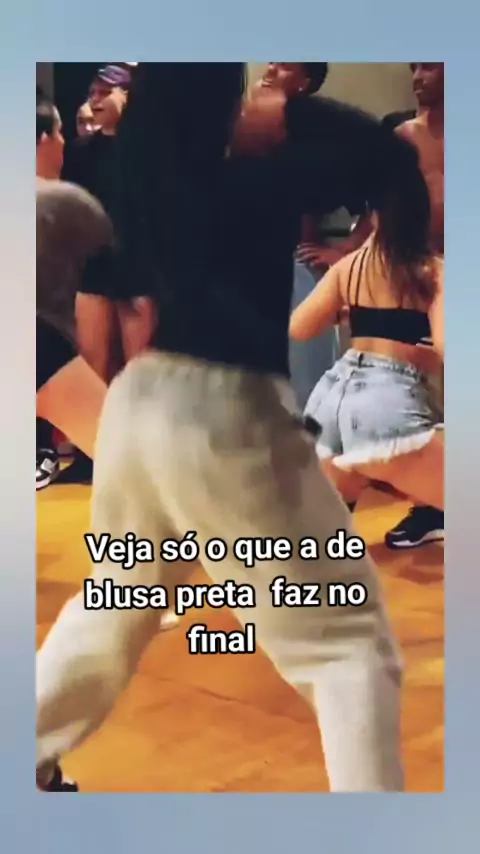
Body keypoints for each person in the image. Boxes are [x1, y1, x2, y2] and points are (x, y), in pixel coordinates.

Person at [36, 63, 431, 794]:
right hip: (227, 411)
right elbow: (389, 159)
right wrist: (292, 114)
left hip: (139, 408)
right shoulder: (253, 178)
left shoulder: (140, 177)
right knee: (346, 644)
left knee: (114, 607)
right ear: (223, 100)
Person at [290, 206, 444, 513]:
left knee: (328, 524)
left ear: (373, 217)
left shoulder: (350, 266)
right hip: (384, 404)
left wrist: (353, 315)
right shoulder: (433, 271)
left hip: (328, 403)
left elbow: (300, 327)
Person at [383, 62, 444, 549]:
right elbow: (385, 211)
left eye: (430, 65)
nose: (419, 75)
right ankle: (432, 505)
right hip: (419, 275)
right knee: (416, 393)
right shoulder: (404, 138)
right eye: (414, 66)